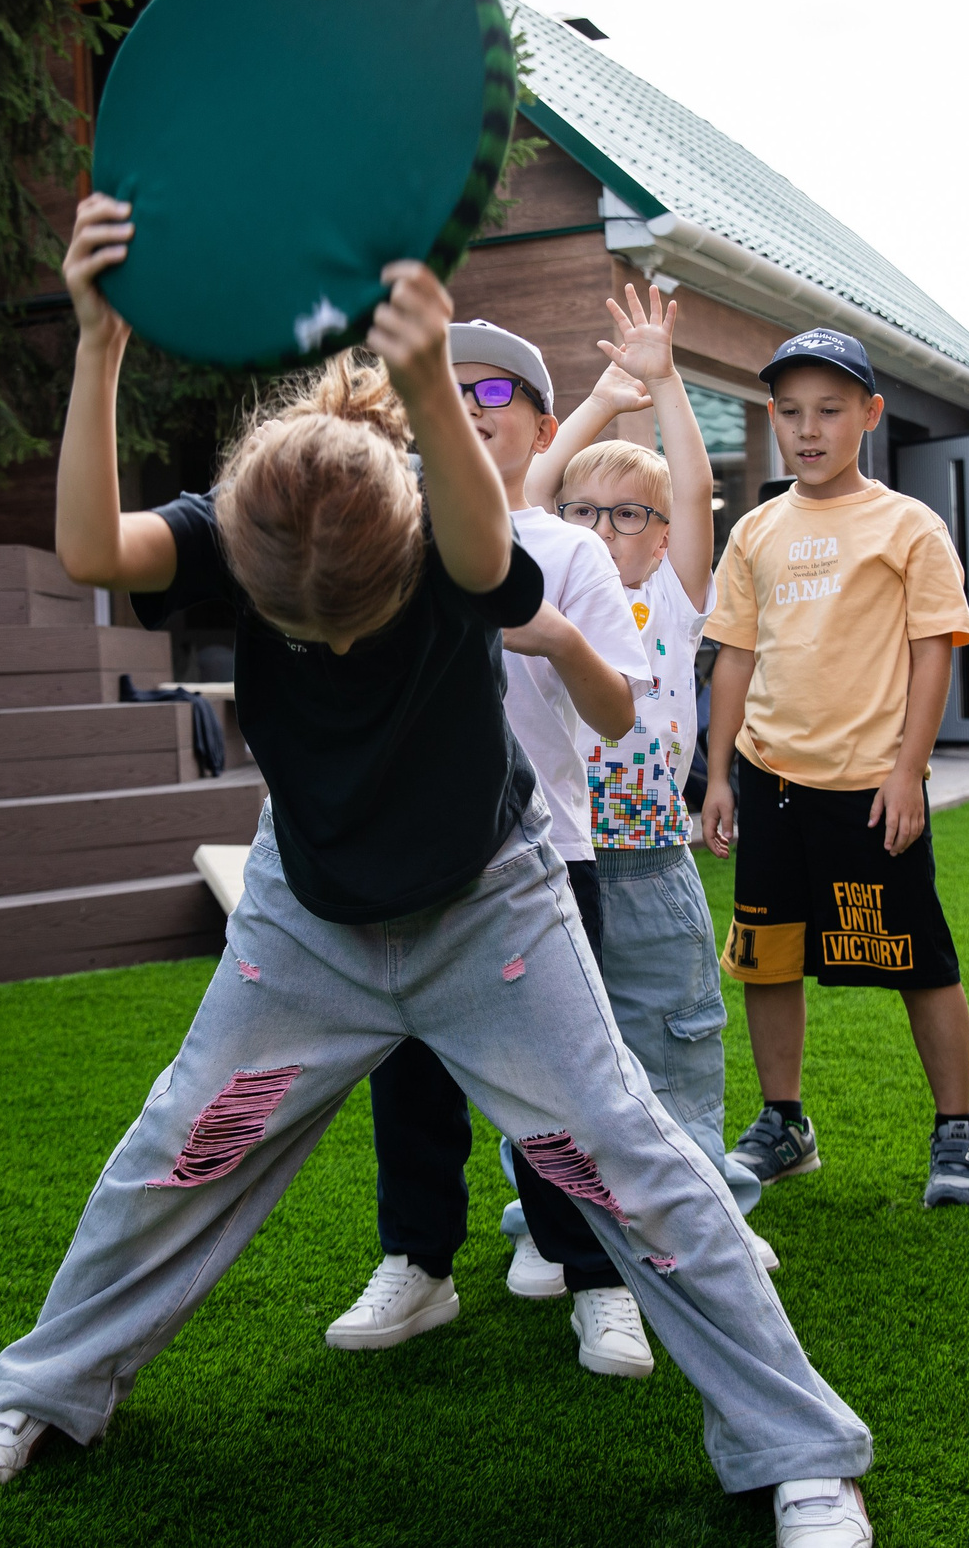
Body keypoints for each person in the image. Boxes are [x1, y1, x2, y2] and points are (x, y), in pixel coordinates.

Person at [0, 194, 877, 1547]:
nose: (324, 647)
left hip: (491, 915)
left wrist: (434, 375)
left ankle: (799, 1451)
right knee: (177, 1151)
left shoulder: (458, 538)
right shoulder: (246, 518)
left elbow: (491, 542)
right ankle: (43, 1389)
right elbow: (92, 549)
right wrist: (97, 345)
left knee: (636, 1160)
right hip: (305, 922)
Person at [332, 314, 659, 1379]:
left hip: (545, 854)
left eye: (491, 394)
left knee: (566, 1088)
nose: (467, 412)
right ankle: (417, 1263)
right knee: (409, 1075)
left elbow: (618, 715)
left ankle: (596, 1275)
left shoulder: (569, 551)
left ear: (543, 428)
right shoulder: (383, 541)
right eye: (445, 391)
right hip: (408, 857)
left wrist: (553, 634)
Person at [701, 329, 969, 1210]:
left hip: (870, 790)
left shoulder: (908, 526)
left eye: (829, 410)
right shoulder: (754, 530)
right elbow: (735, 656)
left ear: (870, 414)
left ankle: (957, 1129)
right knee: (767, 960)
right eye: (790, 412)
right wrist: (719, 774)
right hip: (770, 782)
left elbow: (933, 651)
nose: (808, 429)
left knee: (920, 958)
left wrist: (909, 771)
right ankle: (784, 1122)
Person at [524, 283, 765, 1229]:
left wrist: (663, 384)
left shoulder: (673, 594)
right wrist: (596, 401)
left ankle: (701, 1211)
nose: (600, 530)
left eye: (627, 515)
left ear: (663, 538)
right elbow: (529, 491)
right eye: (584, 513)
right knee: (556, 1051)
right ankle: (551, 1222)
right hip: (561, 862)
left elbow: (694, 487)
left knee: (674, 1038)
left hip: (655, 864)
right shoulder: (551, 590)